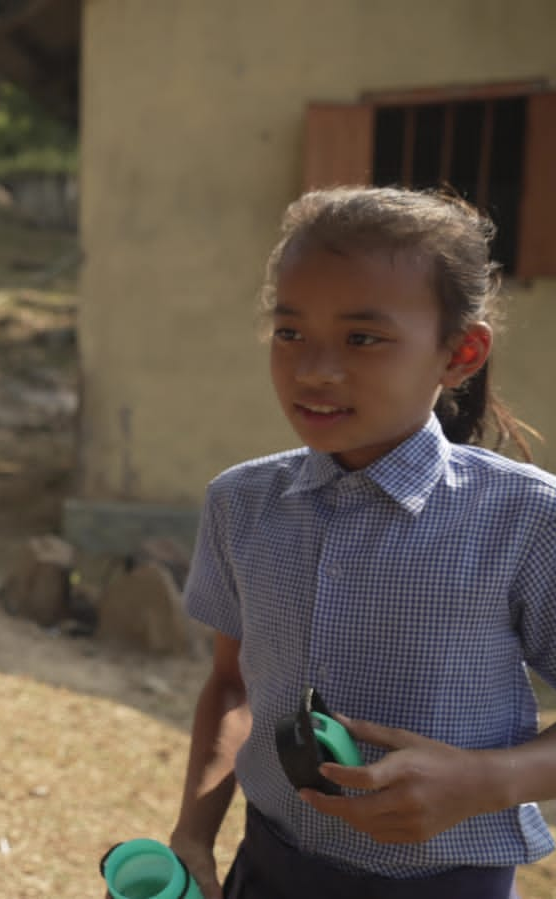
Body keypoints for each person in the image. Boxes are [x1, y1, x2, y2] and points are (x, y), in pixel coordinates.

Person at [166, 185, 555, 899]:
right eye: (289, 332)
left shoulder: (524, 520)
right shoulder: (241, 504)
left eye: (361, 337)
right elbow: (232, 683)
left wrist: (482, 780)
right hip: (270, 868)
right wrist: (193, 832)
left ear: (458, 352)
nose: (313, 369)